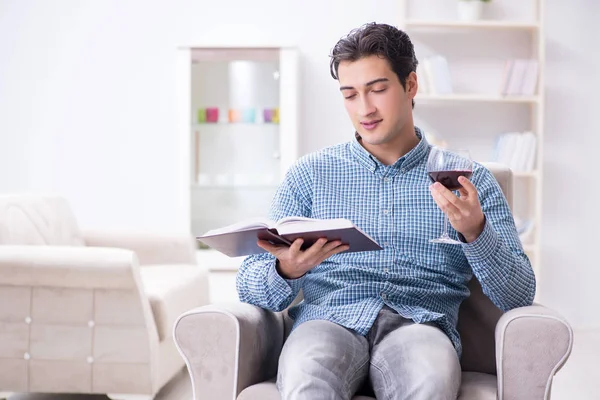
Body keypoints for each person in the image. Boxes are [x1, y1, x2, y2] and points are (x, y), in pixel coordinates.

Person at [236, 22, 536, 400]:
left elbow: (519, 295)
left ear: (411, 85)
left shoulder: (469, 182)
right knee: (305, 376)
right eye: (350, 95)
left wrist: (476, 232)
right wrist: (287, 270)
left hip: (421, 325)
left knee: (431, 380)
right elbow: (249, 284)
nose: (365, 109)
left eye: (377, 90)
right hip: (328, 321)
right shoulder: (309, 175)